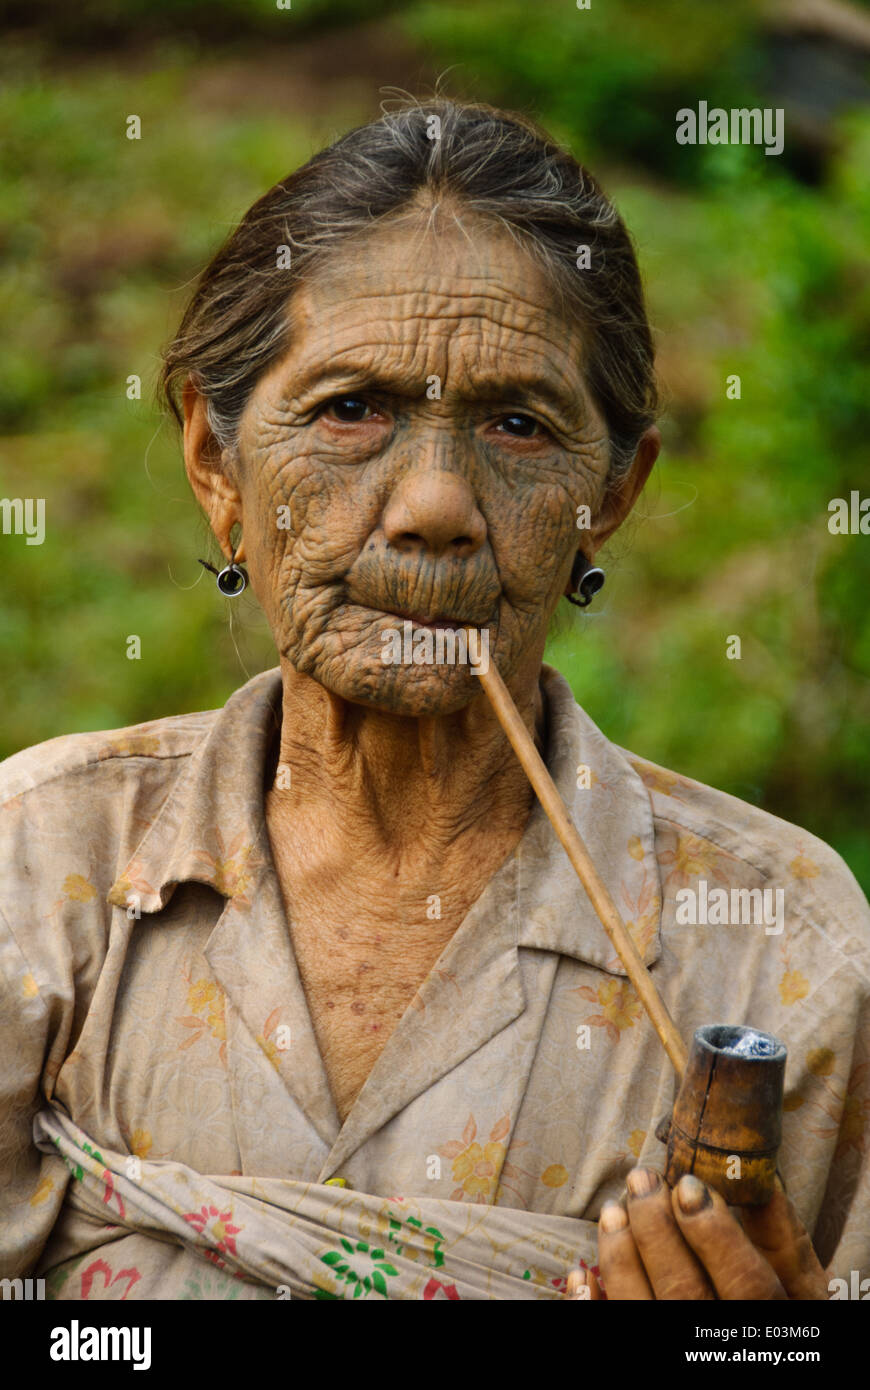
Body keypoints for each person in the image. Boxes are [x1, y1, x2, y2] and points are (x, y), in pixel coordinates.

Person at [1, 99, 867, 1302]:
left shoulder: (782, 955)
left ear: (607, 497)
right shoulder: (40, 868)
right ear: (215, 460)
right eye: (353, 409)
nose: (434, 507)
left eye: (519, 425)